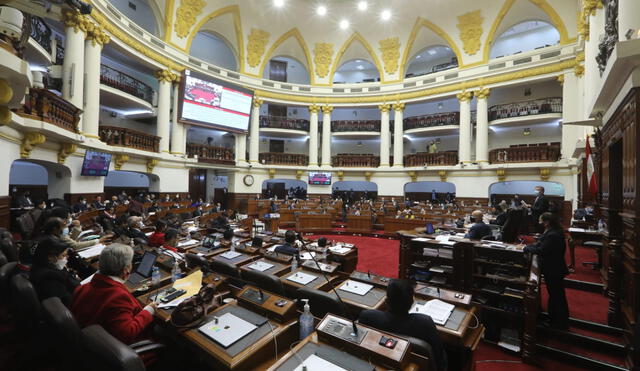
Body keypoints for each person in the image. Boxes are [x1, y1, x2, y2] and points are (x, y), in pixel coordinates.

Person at [71, 244, 157, 344]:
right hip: (114, 351)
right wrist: (148, 311)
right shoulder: (118, 297)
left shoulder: (82, 288)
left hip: (88, 343)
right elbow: (127, 333)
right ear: (126, 270)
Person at [358, 279, 446, 371]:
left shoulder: (367, 316)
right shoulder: (425, 323)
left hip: (377, 363)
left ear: (386, 301)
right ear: (412, 301)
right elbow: (438, 354)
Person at [523, 212, 569, 329]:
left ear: (547, 222)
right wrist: (530, 247)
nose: (540, 223)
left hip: (554, 269)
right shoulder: (553, 231)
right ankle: (556, 319)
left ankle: (558, 322)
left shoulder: (553, 234)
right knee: (556, 295)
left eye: (541, 221)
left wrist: (526, 248)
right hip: (553, 268)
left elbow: (542, 250)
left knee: (556, 296)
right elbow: (540, 245)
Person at [30, 237, 79, 307]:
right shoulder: (49, 278)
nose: (66, 257)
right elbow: (68, 301)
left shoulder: (39, 266)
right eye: (63, 255)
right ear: (50, 257)